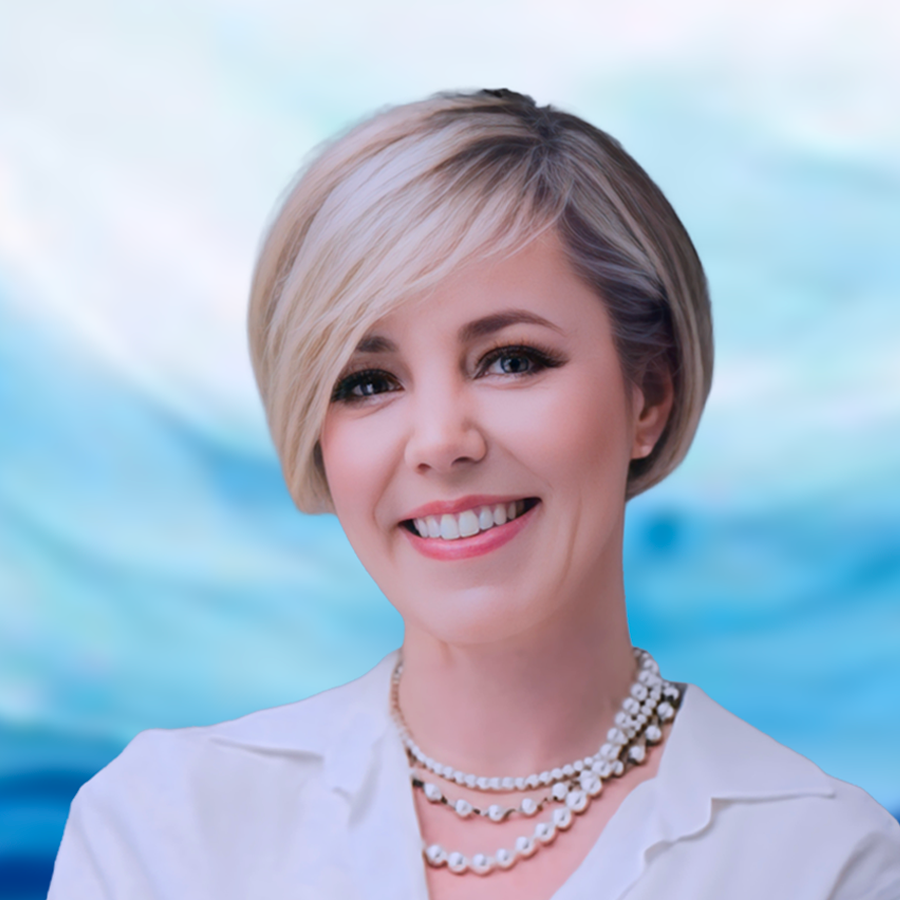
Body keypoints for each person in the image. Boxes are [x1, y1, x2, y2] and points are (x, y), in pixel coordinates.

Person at [48, 89, 900, 900]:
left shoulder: (822, 864)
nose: (440, 441)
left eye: (512, 360)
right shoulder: (163, 828)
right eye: (367, 381)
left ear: (650, 396)